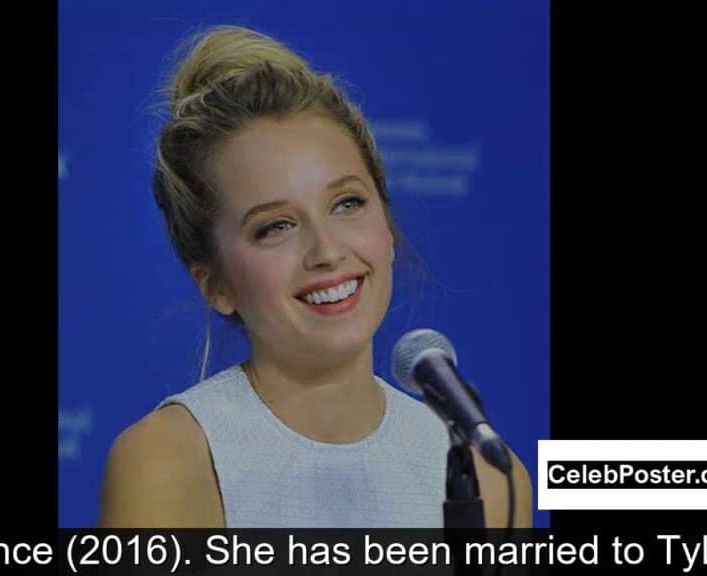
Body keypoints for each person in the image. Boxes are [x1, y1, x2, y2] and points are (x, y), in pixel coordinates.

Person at [99, 25, 532, 528]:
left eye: (347, 203)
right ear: (214, 283)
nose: (326, 251)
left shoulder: (489, 477)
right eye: (275, 227)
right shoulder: (167, 461)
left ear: (386, 226)